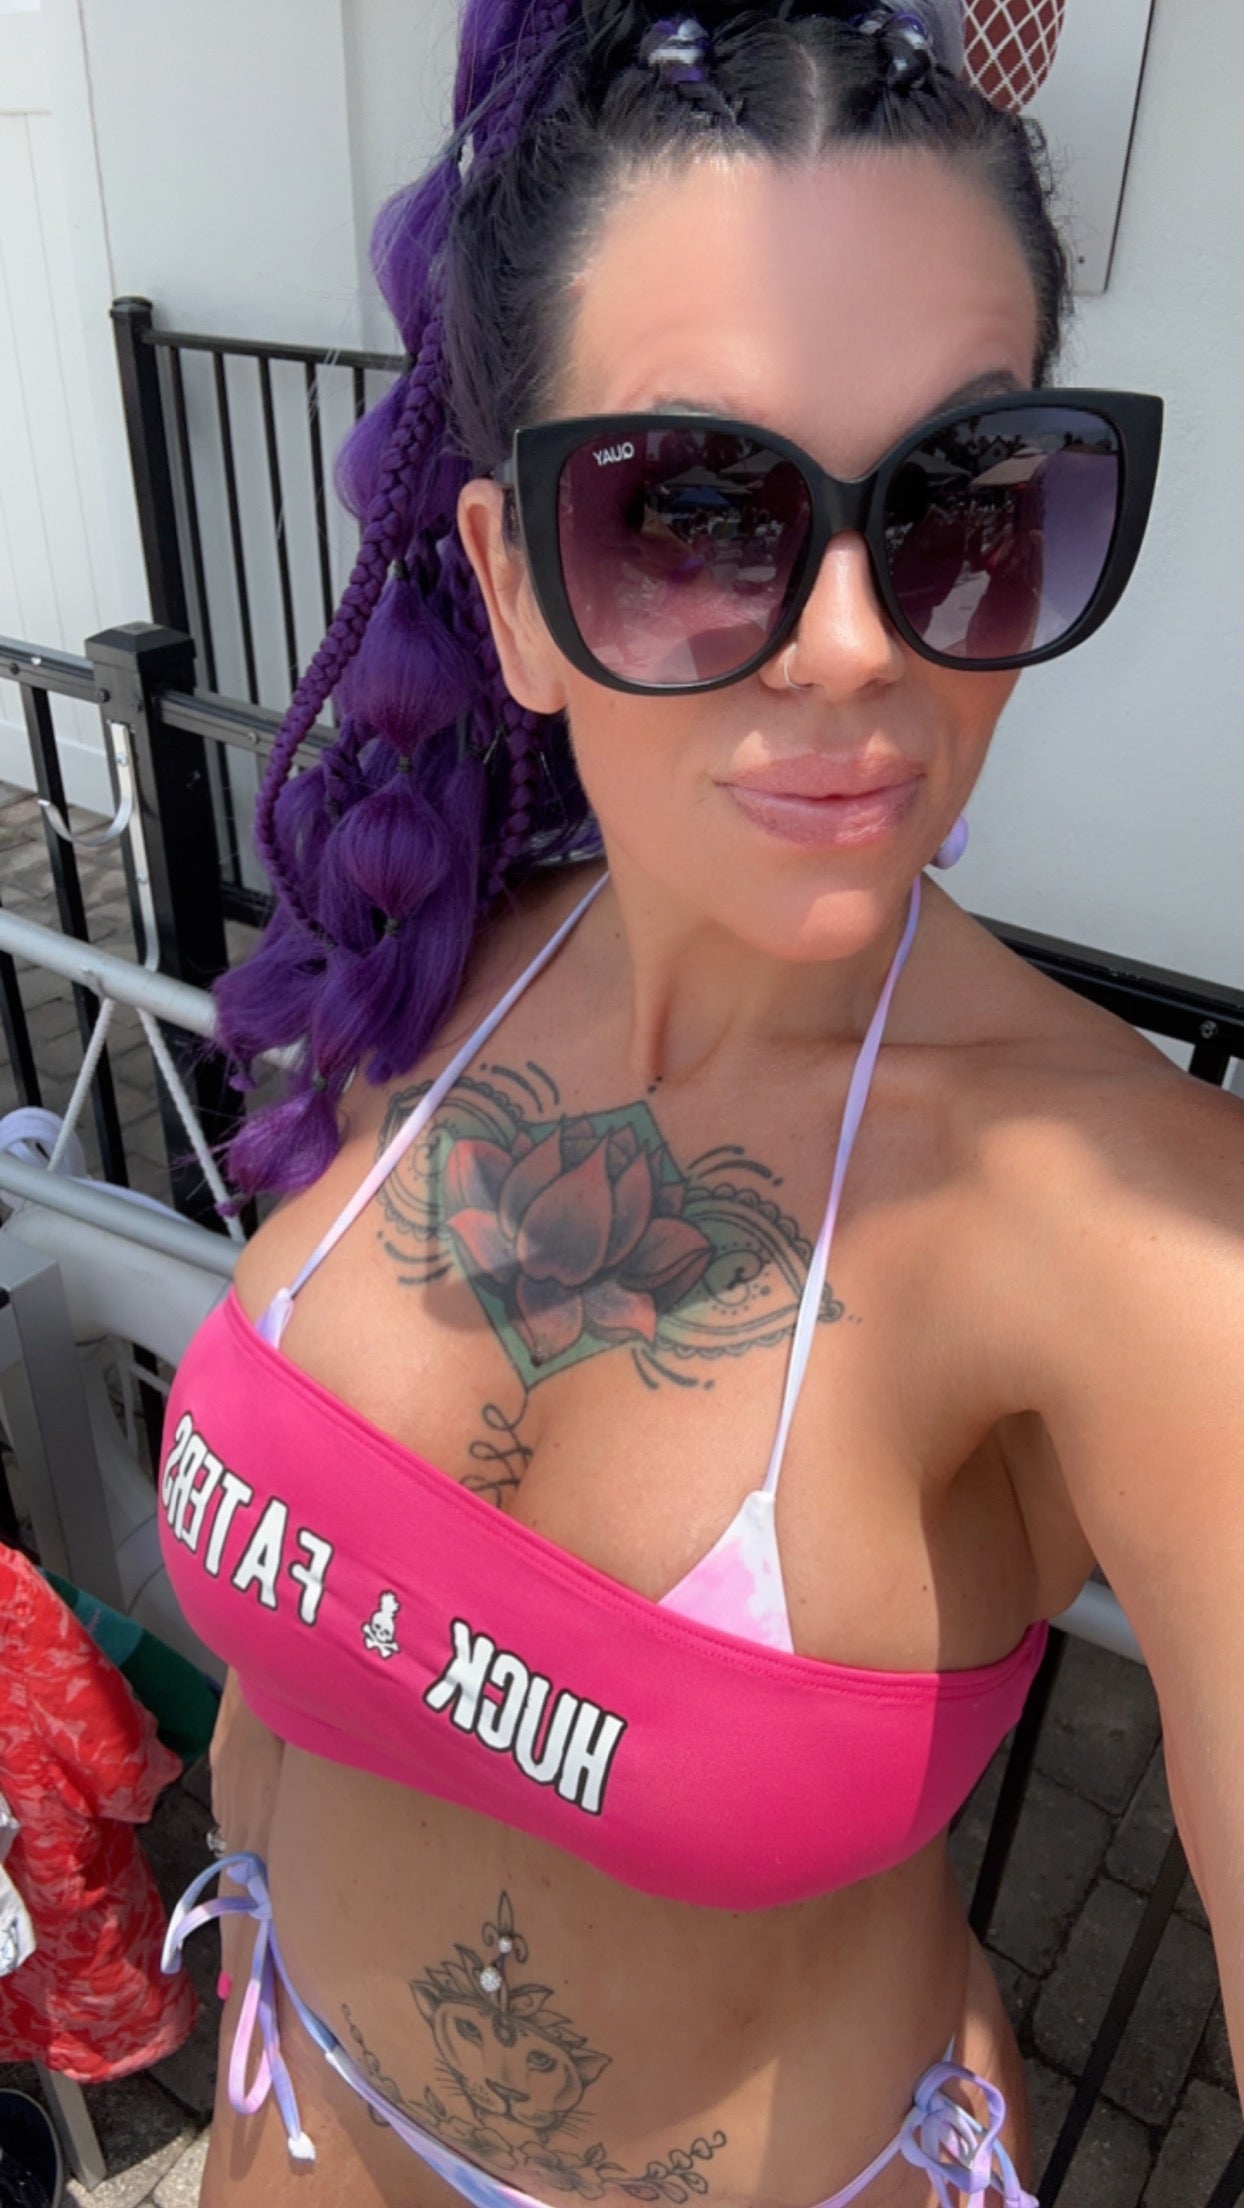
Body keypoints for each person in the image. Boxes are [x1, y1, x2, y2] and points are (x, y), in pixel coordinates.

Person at [158, 4, 1244, 2203]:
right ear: (509, 591)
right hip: (284, 2113)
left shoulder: (1132, 1234)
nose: (854, 645)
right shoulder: (431, 959)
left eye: (960, 503)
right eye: (691, 510)